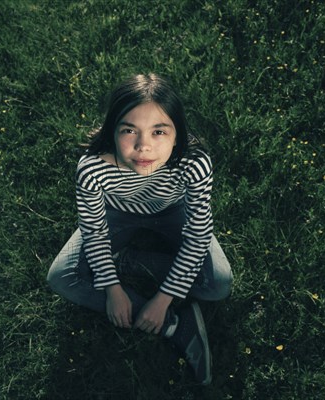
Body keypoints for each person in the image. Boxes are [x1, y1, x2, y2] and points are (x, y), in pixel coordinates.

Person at [47, 73, 233, 385]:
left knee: (219, 284)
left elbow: (198, 234)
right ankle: (176, 323)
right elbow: (93, 230)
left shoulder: (194, 162)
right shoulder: (92, 168)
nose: (143, 146)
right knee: (61, 277)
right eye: (129, 130)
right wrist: (113, 289)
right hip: (117, 216)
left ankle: (129, 263)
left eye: (159, 131)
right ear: (112, 131)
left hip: (174, 213)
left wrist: (163, 298)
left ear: (177, 133)